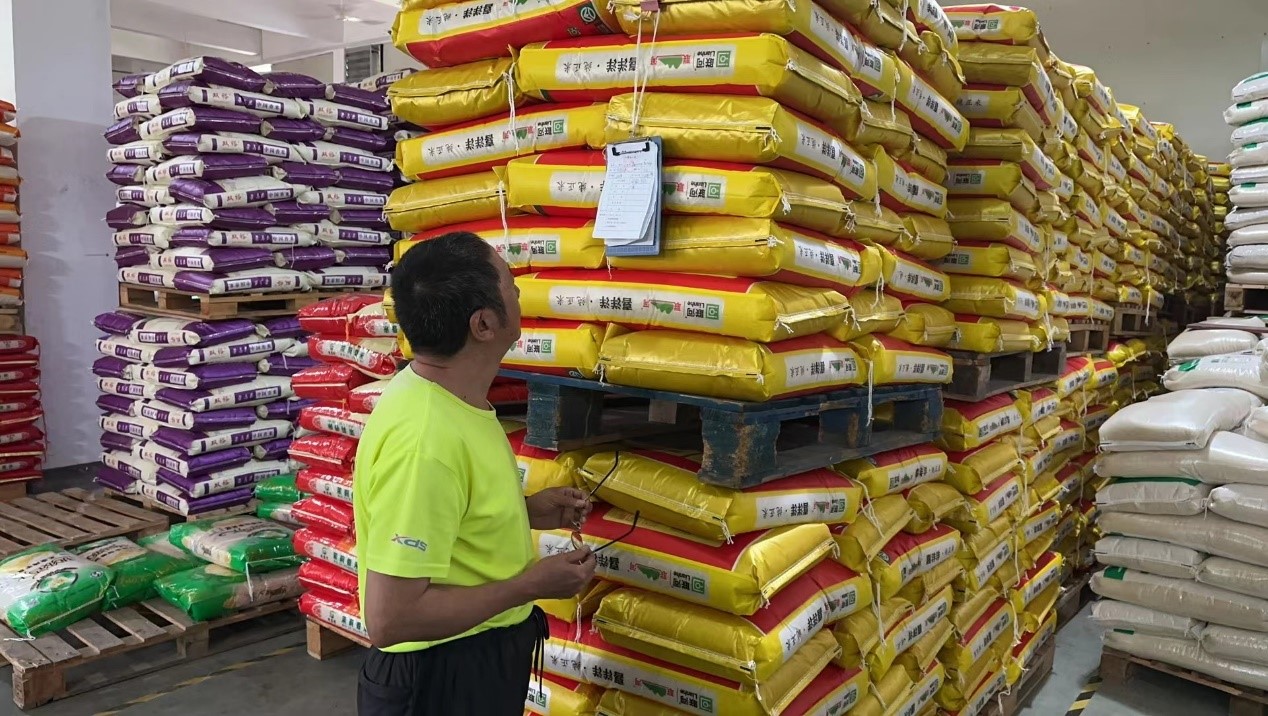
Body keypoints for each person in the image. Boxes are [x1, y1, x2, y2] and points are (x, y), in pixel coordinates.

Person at [353, 231, 597, 715]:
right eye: (509, 282)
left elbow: (445, 512)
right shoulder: (425, 441)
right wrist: (530, 585)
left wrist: (523, 511)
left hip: (472, 658)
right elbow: (391, 619)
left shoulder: (449, 397)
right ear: (484, 323)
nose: (519, 289)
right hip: (438, 677)